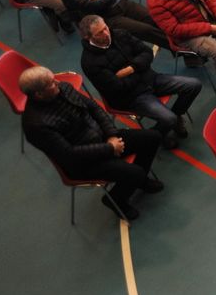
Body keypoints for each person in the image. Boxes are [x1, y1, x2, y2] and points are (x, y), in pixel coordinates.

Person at [20, 66, 163, 222]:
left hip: (103, 138)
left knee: (153, 137)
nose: (58, 82)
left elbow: (94, 108)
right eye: (51, 83)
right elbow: (69, 154)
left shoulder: (63, 88)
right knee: (136, 172)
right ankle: (116, 200)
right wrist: (109, 148)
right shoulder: (36, 125)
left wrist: (111, 135)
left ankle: (139, 180)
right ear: (39, 94)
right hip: (84, 163)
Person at [79, 15, 200, 148]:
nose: (106, 33)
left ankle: (175, 120)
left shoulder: (120, 34)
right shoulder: (89, 63)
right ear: (88, 37)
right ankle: (155, 136)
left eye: (105, 28)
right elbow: (116, 87)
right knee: (169, 118)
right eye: (100, 33)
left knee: (194, 85)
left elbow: (147, 52)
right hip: (132, 96)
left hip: (151, 79)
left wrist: (132, 68)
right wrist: (141, 68)